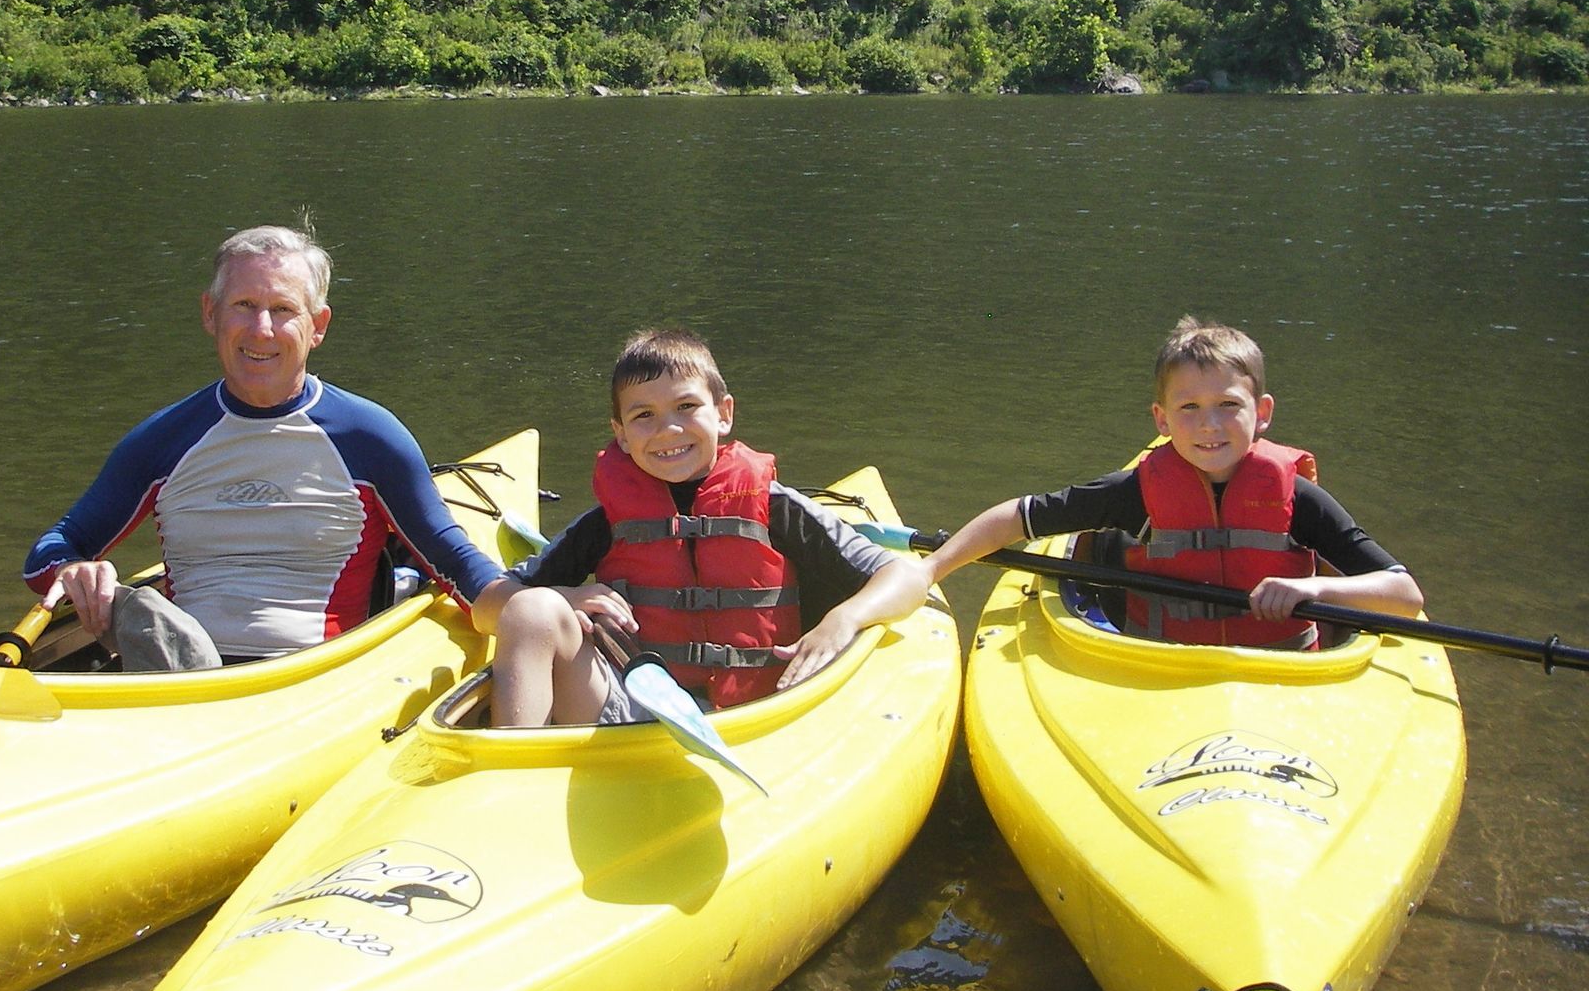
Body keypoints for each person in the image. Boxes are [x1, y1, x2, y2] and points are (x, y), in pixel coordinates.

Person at [22, 223, 501, 669]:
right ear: (210, 313)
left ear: (318, 325)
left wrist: (531, 604)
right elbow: (51, 550)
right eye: (244, 306)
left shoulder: (370, 437)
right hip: (182, 678)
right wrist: (72, 572)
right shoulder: (164, 439)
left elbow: (452, 561)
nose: (262, 330)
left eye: (283, 310)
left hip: (313, 680)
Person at [471, 328, 929, 726]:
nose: (668, 429)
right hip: (634, 708)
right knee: (531, 609)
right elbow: (488, 607)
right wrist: (569, 596)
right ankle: (517, 767)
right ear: (622, 435)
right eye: (643, 415)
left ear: (724, 413)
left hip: (759, 712)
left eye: (686, 406)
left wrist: (844, 618)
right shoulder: (607, 521)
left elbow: (905, 578)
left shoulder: (774, 506)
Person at [921, 315, 1422, 647]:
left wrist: (1307, 588)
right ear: (1162, 420)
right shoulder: (1137, 494)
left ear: (1262, 413)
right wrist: (933, 569)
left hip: (1282, 678)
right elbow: (1019, 517)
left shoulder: (1300, 500)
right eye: (1190, 408)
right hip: (1163, 671)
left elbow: (1403, 594)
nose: (1210, 425)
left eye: (1229, 405)